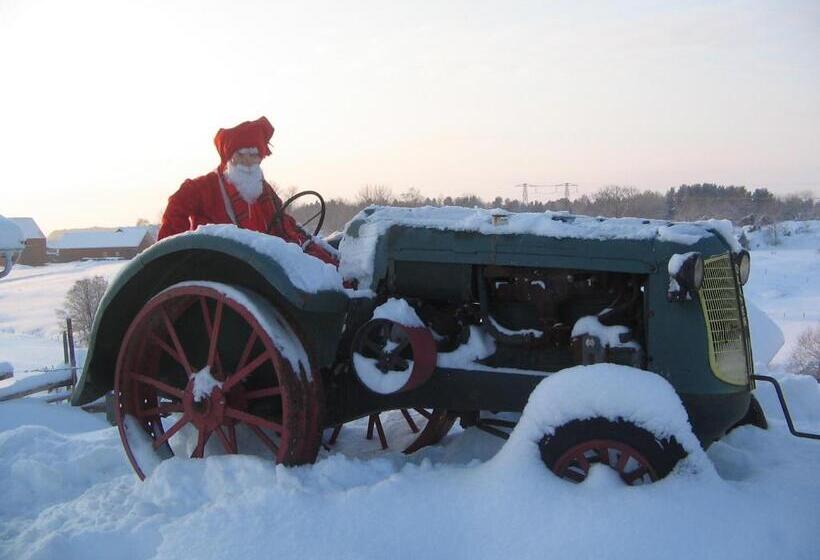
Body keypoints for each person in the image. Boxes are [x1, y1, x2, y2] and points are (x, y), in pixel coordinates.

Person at [158, 116, 336, 264]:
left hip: (266, 261)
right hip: (223, 264)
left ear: (260, 158)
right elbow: (176, 209)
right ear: (229, 157)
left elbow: (281, 222)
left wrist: (301, 240)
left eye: (253, 156)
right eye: (240, 155)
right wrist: (174, 256)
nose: (247, 162)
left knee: (321, 262)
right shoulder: (204, 187)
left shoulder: (264, 190)